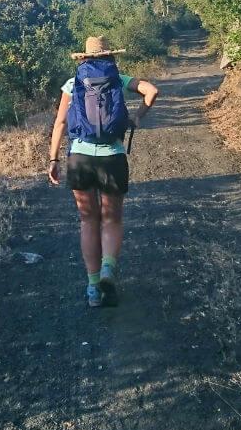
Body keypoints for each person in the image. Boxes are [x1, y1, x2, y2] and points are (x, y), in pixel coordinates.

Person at [48, 35, 159, 307]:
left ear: (84, 58)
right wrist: (137, 117)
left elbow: (61, 122)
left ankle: (93, 288)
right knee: (111, 219)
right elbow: (152, 91)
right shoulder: (119, 79)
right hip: (112, 157)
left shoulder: (72, 84)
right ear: (110, 56)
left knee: (88, 221)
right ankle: (109, 268)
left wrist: (53, 159)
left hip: (80, 158)